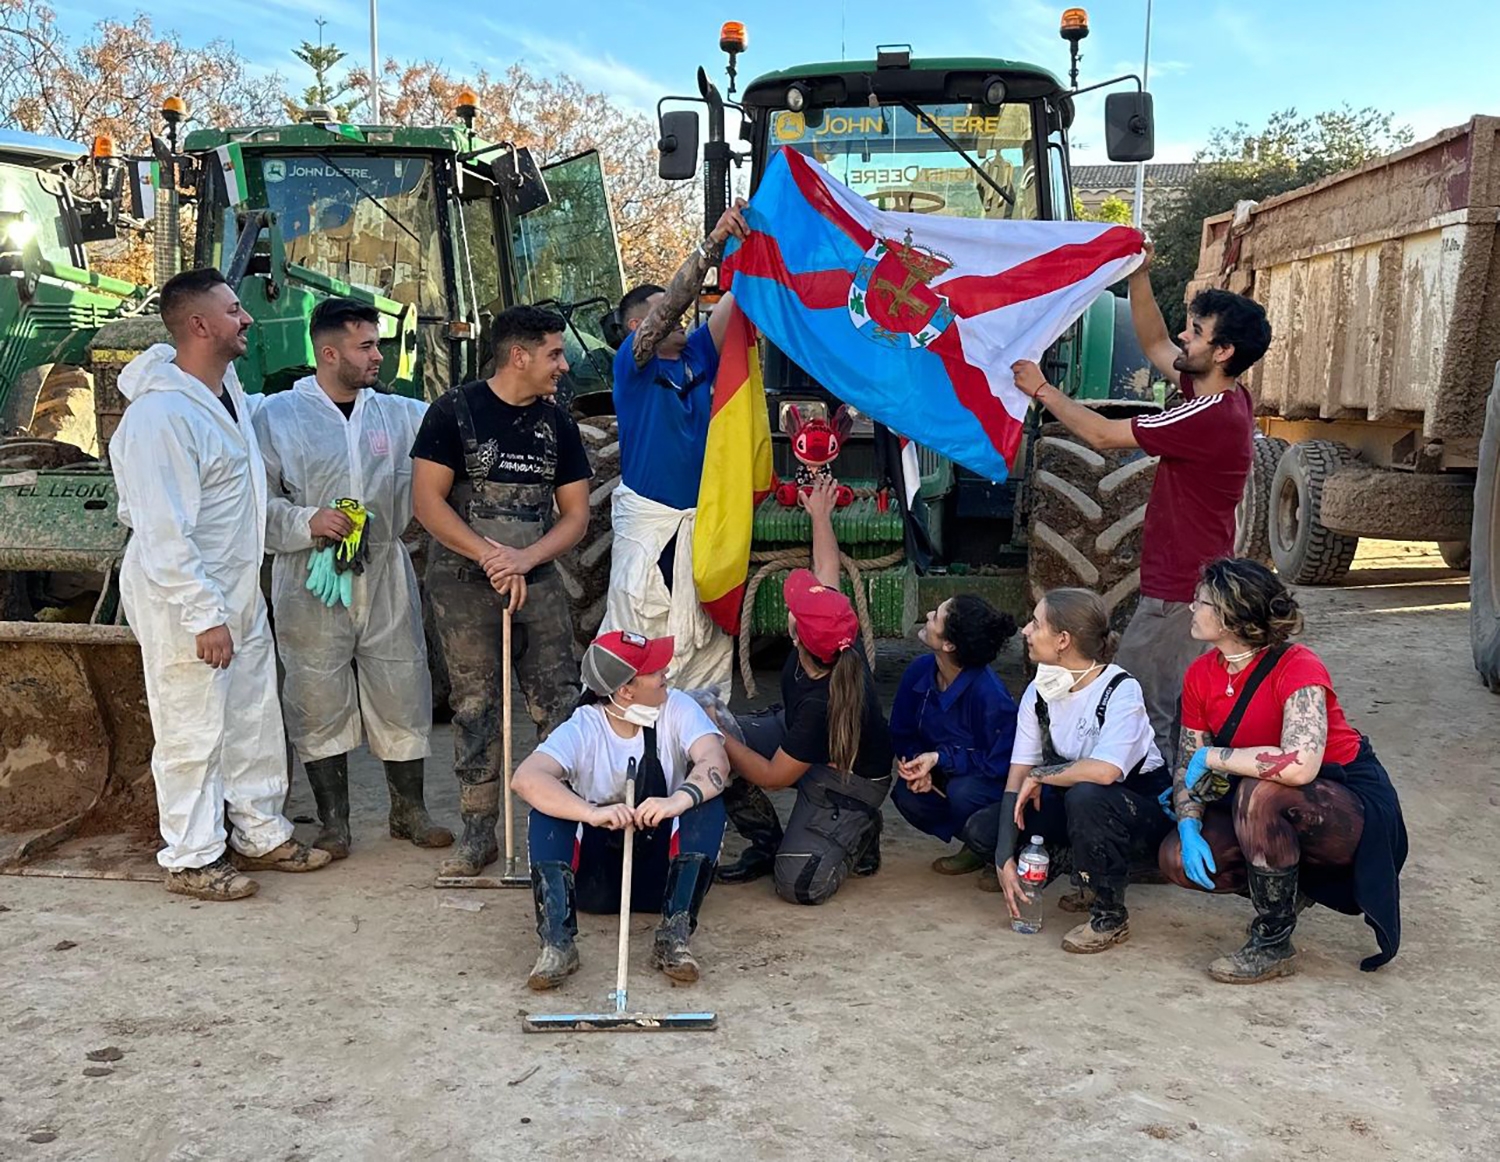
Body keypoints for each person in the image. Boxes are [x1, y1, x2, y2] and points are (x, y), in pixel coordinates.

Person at [111, 268, 331, 900]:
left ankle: (261, 833)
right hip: (185, 596)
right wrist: (203, 614)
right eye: (235, 310)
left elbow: (239, 505)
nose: (248, 319)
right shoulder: (160, 418)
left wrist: (296, 527)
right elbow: (164, 533)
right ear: (200, 325)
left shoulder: (225, 393)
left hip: (235, 586)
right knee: (192, 726)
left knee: (252, 713)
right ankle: (191, 856)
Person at [1010, 242, 1272, 767]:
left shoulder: (1210, 416)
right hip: (1178, 582)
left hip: (1180, 593)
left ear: (1222, 352)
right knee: (1151, 702)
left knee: (1144, 706)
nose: (1183, 335)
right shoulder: (1209, 388)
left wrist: (1043, 389)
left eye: (1196, 332)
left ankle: (1161, 817)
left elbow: (1105, 436)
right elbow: (1153, 341)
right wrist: (1139, 273)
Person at [253, 298, 452, 860]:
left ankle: (409, 811)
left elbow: (446, 453)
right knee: (316, 689)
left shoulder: (400, 414)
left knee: (403, 680)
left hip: (384, 565)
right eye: (366, 346)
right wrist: (305, 521)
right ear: (329, 352)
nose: (377, 356)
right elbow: (254, 502)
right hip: (310, 573)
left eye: (377, 344)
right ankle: (334, 821)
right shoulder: (277, 418)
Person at [1158, 559, 1407, 982]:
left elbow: (1299, 764)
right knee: (1176, 858)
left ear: (1231, 616)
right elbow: (1188, 763)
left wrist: (1214, 758)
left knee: (1261, 791)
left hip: (1346, 802)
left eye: (1200, 602)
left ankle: (1273, 942)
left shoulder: (1299, 666)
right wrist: (1188, 822)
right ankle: (1290, 890)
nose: (1190, 608)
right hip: (1266, 801)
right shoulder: (1202, 673)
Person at [411, 306, 591, 878]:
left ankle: (560, 831)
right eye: (554, 354)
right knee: (474, 708)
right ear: (519, 355)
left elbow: (577, 515)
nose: (562, 365)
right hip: (464, 586)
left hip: (536, 582)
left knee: (559, 706)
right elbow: (427, 503)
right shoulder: (452, 413)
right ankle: (478, 832)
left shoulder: (557, 423)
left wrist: (523, 558)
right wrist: (489, 555)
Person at [512, 631, 729, 990]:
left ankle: (674, 935)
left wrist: (677, 800)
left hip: (661, 872)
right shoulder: (584, 726)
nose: (666, 673)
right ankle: (557, 943)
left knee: (705, 803)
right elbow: (526, 778)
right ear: (625, 690)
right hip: (597, 882)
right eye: (654, 670)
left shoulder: (676, 706)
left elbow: (715, 760)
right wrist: (592, 813)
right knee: (547, 810)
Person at [714, 478, 895, 904]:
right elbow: (827, 568)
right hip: (803, 737)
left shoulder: (821, 700)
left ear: (796, 635)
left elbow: (775, 778)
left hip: (848, 780)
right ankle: (765, 844)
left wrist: (719, 733)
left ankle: (859, 828)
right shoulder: (835, 638)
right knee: (710, 747)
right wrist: (820, 514)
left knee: (799, 887)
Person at [963, 588, 1170, 953]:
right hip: (1077, 803)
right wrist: (1003, 859)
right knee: (984, 830)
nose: (1026, 631)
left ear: (1063, 640)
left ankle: (1109, 914)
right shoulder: (1039, 693)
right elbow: (1018, 775)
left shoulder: (1121, 690)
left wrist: (1041, 776)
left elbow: (1105, 772)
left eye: (1036, 624)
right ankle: (1077, 863)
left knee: (1087, 794)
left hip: (1136, 809)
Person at [601, 200, 750, 692]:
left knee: (704, 643)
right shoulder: (634, 365)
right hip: (653, 532)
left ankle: (701, 750)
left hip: (702, 527)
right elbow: (669, 309)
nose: (682, 314)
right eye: (665, 309)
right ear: (636, 329)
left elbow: (739, 299)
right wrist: (709, 245)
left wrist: (751, 246)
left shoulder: (699, 353)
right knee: (644, 641)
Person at [890, 595, 1019, 885]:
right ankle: (976, 844)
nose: (928, 614)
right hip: (944, 772)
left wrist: (942, 759)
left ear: (949, 645)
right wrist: (915, 766)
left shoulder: (990, 695)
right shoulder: (919, 671)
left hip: (984, 783)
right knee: (907, 795)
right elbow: (902, 731)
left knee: (964, 792)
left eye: (936, 616)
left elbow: (998, 764)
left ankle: (998, 844)